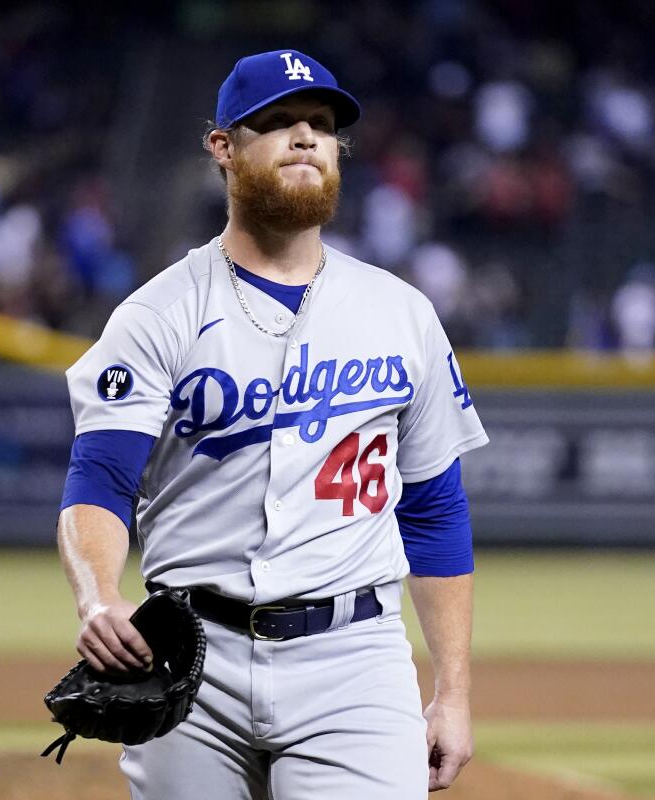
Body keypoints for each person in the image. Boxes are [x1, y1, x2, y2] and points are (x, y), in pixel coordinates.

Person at [57, 49, 489, 798]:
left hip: (354, 660)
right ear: (222, 148)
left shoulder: (401, 314)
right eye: (278, 123)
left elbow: (434, 509)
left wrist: (452, 690)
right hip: (193, 656)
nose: (304, 138)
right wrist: (98, 595)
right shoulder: (158, 315)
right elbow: (100, 478)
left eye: (320, 125)